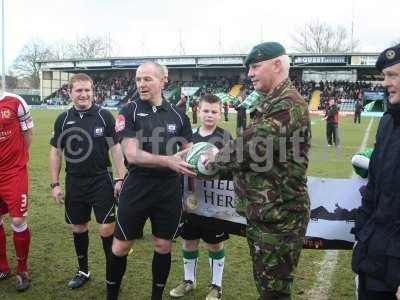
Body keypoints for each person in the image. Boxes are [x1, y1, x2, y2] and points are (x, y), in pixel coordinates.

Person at [206, 42, 311, 299]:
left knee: (273, 292)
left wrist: (210, 161)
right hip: (267, 213)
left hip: (279, 217)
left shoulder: (287, 104)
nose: (250, 74)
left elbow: (248, 147)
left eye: (255, 67)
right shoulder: (272, 100)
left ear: (276, 65)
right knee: (266, 286)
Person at [106, 61, 195, 300]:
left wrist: (206, 157)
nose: (141, 84)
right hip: (137, 187)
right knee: (120, 246)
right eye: (138, 80)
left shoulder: (179, 115)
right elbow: (131, 154)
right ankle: (111, 295)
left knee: (163, 246)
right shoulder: (129, 111)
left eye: (147, 79)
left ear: (163, 80)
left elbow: (191, 152)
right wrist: (168, 161)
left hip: (169, 190)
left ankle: (156, 296)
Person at [49, 73, 126, 289]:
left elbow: (116, 148)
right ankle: (83, 270)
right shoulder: (63, 119)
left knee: (106, 229)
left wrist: (120, 177)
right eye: (79, 90)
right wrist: (55, 184)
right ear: (70, 92)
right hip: (74, 181)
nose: (83, 94)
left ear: (93, 91)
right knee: (79, 227)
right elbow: (55, 152)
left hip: (102, 179)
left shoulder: (105, 116)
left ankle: (112, 274)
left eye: (87, 90)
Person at [169, 94, 232, 300]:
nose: (210, 115)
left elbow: (231, 169)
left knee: (215, 243)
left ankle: (216, 285)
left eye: (214, 111)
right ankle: (189, 280)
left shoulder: (225, 138)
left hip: (214, 203)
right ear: (197, 110)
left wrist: (213, 168)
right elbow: (178, 165)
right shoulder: (189, 138)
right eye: (206, 110)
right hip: (190, 201)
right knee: (189, 241)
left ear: (220, 114)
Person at [352, 43, 400, 300]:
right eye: (384, 76)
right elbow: (374, 188)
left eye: (393, 75)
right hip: (375, 255)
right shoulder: (388, 121)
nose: (385, 82)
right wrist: (362, 232)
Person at [0, 92, 33, 291]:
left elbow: (28, 133)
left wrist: (18, 159)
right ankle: (3, 266)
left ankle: (22, 269)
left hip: (13, 172)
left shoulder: (14, 101)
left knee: (18, 220)